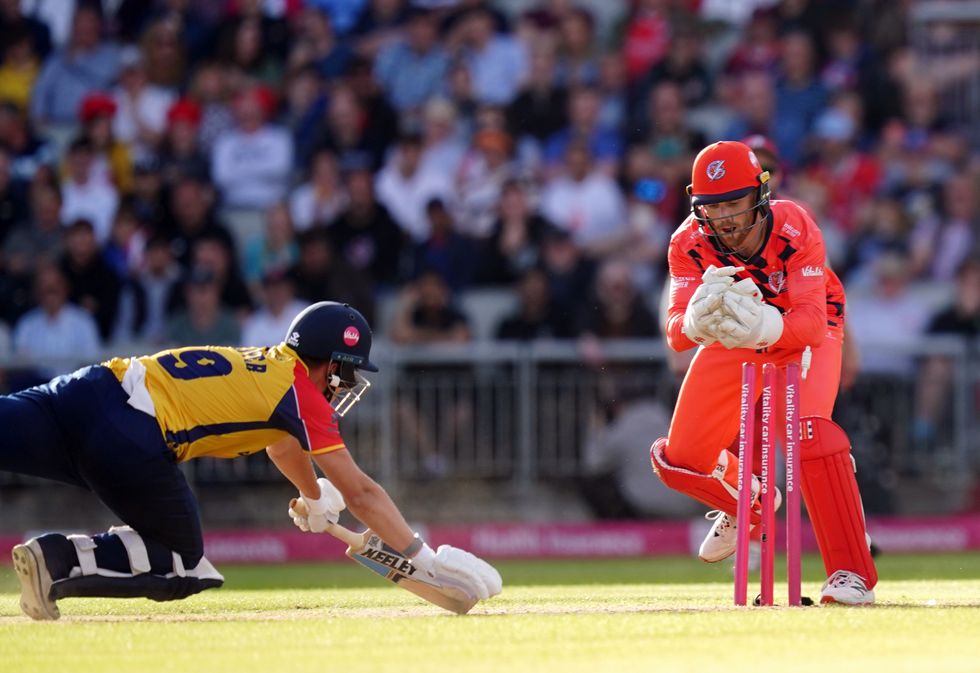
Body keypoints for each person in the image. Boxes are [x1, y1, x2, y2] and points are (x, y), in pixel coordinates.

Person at [6, 301, 501, 620]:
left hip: (85, 389)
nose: (345, 385)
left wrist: (312, 497)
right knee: (185, 559)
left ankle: (52, 563)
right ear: (329, 363)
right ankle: (55, 560)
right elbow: (361, 492)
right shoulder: (300, 392)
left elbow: (280, 444)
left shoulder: (269, 366)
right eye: (345, 372)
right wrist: (421, 558)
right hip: (128, 427)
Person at [650, 140, 877, 605]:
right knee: (679, 459)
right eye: (714, 207)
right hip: (734, 337)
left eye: (735, 203)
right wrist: (693, 321)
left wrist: (770, 325)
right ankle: (749, 498)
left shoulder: (794, 224)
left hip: (803, 329)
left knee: (808, 434)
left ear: (760, 193)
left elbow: (813, 322)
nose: (727, 218)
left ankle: (850, 574)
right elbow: (675, 333)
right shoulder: (686, 241)